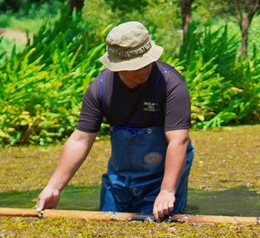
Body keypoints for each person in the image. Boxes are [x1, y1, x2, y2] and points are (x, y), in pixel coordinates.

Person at [35, 21, 193, 220]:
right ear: (117, 66)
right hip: (120, 179)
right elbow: (81, 139)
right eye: (135, 66)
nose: (143, 70)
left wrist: (167, 190)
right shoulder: (101, 89)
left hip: (163, 176)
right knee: (108, 230)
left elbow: (178, 140)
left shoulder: (171, 84)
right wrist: (54, 187)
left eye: (146, 62)